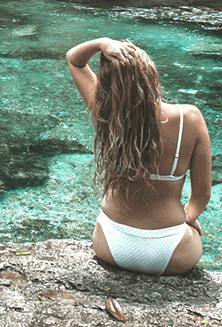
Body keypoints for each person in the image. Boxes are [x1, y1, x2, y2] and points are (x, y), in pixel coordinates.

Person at [66, 36, 212, 276]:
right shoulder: (190, 119)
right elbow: (202, 195)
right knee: (194, 233)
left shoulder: (106, 115)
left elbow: (74, 60)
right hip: (173, 250)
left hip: (110, 245)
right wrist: (189, 218)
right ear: (150, 76)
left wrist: (102, 43)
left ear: (106, 85)